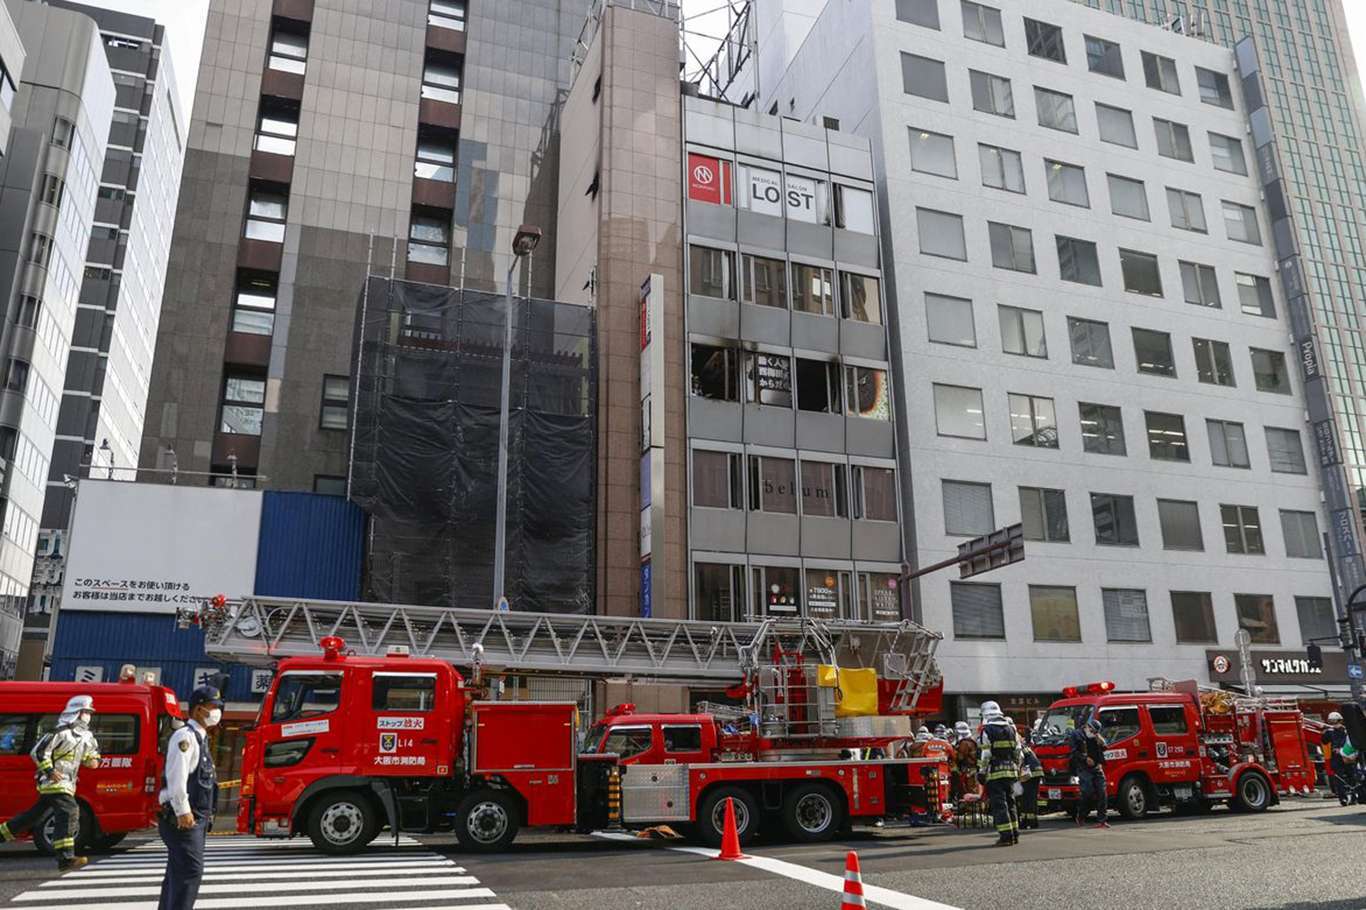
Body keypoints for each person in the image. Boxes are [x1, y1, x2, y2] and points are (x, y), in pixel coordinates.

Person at [0, 695, 101, 870]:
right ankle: (65, 857)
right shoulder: (60, 732)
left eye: (89, 712)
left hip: (68, 783)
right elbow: (38, 752)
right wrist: (50, 771)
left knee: (32, 817)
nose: (88, 715)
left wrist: (93, 761)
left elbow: (90, 757)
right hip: (52, 781)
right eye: (85, 712)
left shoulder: (86, 736)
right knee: (70, 810)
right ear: (76, 712)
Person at [158, 685, 223, 910]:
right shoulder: (185, 737)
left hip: (196, 817)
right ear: (197, 710)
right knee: (190, 871)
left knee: (178, 872)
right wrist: (183, 811)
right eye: (212, 707)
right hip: (184, 819)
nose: (217, 712)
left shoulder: (200, 738)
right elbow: (177, 777)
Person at [977, 701, 1020, 846]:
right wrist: (1017, 767)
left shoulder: (987, 730)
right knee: (1011, 803)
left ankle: (1005, 837)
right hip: (1011, 771)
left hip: (995, 773)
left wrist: (982, 772)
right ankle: (1015, 834)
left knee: (1000, 805)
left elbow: (986, 753)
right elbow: (1018, 752)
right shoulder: (1011, 729)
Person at [1069, 717, 1109, 827]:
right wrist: (1085, 758)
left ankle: (1102, 820)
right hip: (1084, 768)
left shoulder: (1096, 736)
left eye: (1095, 732)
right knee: (1087, 792)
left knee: (1102, 792)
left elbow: (1105, 747)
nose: (1092, 733)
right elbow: (1073, 752)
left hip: (1097, 767)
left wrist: (1100, 740)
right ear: (1087, 727)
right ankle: (1081, 816)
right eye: (1092, 730)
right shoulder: (1076, 734)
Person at [1322, 712, 1356, 806]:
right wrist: (1324, 732)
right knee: (1338, 778)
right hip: (1336, 757)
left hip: (1347, 755)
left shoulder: (1347, 730)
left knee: (1352, 776)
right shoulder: (1329, 731)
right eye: (1331, 721)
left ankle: (1354, 797)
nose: (1333, 723)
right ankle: (1343, 799)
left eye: (1334, 721)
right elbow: (1324, 741)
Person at [1017, 727, 1042, 830]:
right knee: (1029, 797)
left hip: (1029, 772)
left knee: (1026, 798)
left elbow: (1020, 759)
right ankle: (1031, 821)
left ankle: (1028, 821)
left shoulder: (1017, 745)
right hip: (1035, 771)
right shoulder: (1022, 744)